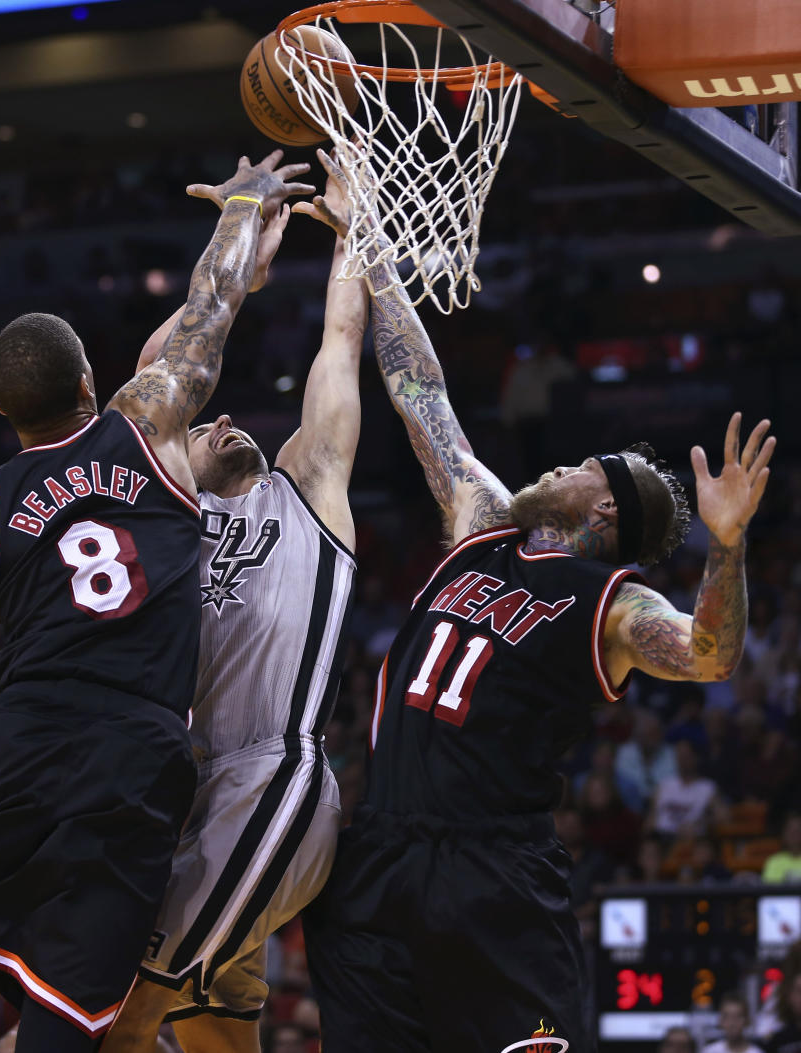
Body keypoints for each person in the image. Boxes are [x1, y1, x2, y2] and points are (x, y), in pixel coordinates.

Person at [0, 151, 314, 1053]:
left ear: (2, 412)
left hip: (8, 742)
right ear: (92, 383)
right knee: (65, 1008)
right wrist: (241, 209)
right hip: (125, 751)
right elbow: (212, 308)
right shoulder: (147, 422)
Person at [302, 169, 776, 1053]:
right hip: (382, 854)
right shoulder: (481, 524)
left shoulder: (610, 602)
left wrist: (729, 545)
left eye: (584, 466)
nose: (560, 464)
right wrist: (370, 243)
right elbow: (422, 393)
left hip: (494, 872)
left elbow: (709, 653)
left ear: (602, 513)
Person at [102, 156, 365, 1053]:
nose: (223, 421)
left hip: (271, 777)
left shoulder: (311, 487)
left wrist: (351, 231)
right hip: (188, 790)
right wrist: (240, 258)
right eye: (205, 426)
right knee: (217, 1031)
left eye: (230, 419)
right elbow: (160, 378)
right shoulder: (166, 507)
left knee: (119, 1022)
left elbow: (339, 345)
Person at [763, 813, 801, 884]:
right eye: (791, 831)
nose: (795, 835)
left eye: (798, 830)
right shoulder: (774, 861)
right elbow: (770, 890)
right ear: (784, 834)